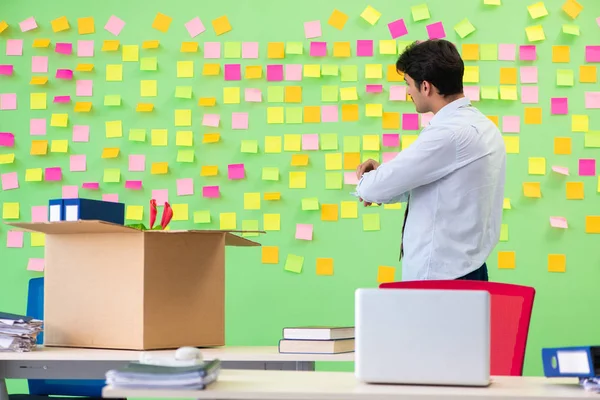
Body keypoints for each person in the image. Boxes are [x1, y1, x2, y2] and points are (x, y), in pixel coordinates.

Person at [355, 39, 506, 282]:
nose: (407, 92)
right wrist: (383, 181)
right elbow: (436, 188)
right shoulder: (483, 126)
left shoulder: (448, 134)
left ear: (425, 86)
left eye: (408, 84)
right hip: (469, 269)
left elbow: (374, 187)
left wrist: (371, 182)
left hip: (440, 278)